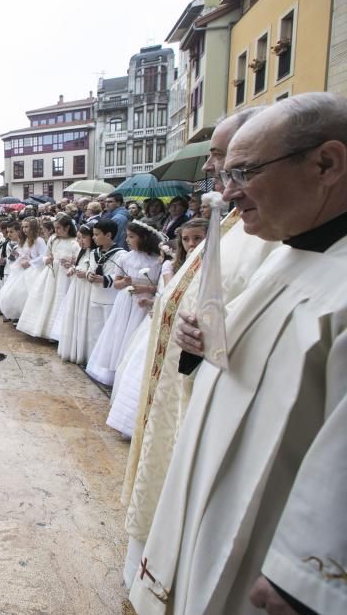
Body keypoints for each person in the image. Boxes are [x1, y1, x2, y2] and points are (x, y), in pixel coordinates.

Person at [131, 93, 347, 614]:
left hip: (271, 542)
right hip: (213, 498)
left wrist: (305, 574)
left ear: (326, 164)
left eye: (244, 173)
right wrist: (199, 344)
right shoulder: (286, 249)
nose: (228, 194)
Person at [120, 107, 273, 591]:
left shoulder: (271, 232)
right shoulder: (227, 224)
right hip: (176, 387)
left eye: (224, 159)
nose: (213, 171)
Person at [106, 220, 205, 440]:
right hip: (159, 318)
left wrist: (153, 300)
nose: (191, 244)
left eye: (197, 238)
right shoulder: (172, 266)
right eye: (186, 239)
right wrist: (154, 304)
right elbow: (170, 293)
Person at [85, 221, 161, 386]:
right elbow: (116, 283)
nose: (127, 239)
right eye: (127, 236)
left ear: (145, 238)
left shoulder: (157, 261)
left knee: (134, 334)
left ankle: (128, 372)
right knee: (119, 332)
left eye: (131, 237)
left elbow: (160, 287)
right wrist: (125, 282)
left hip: (143, 303)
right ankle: (112, 369)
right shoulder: (125, 258)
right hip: (126, 301)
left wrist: (145, 288)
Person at [18, 215, 80, 340]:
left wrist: (71, 263)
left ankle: (57, 332)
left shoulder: (75, 242)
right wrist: (48, 259)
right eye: (55, 228)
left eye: (59, 228)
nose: (55, 231)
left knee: (60, 299)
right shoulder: (53, 239)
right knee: (46, 298)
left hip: (65, 275)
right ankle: (42, 328)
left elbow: (77, 259)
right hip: (51, 272)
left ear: (67, 227)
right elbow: (45, 255)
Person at [81, 219, 125, 361]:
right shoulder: (94, 252)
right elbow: (89, 268)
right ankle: (92, 360)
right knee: (94, 330)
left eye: (97, 234)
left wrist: (105, 279)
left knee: (108, 332)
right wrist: (89, 275)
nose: (93, 237)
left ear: (108, 235)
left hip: (110, 298)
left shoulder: (121, 254)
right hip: (95, 295)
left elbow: (121, 275)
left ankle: (104, 362)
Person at [56, 224, 96, 363]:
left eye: (83, 238)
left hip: (87, 290)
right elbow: (79, 264)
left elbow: (93, 270)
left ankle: (84, 352)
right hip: (77, 288)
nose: (80, 241)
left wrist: (85, 274)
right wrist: (73, 269)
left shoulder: (94, 253)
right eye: (79, 238)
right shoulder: (82, 251)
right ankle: (74, 349)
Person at [0, 217, 45, 322]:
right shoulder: (26, 240)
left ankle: (27, 318)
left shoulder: (39, 241)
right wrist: (19, 257)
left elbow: (43, 256)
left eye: (27, 227)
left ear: (33, 227)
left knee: (27, 294)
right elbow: (24, 253)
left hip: (34, 271)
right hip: (23, 270)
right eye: (23, 227)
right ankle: (19, 316)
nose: (24, 229)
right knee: (12, 293)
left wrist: (30, 262)